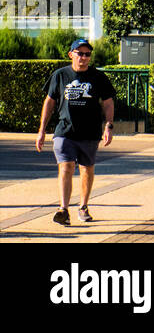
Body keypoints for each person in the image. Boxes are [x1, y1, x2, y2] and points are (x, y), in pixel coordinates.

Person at [36, 37, 116, 226]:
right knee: (66, 166)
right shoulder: (60, 75)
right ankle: (63, 209)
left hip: (89, 132)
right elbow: (49, 102)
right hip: (64, 130)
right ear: (71, 54)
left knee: (86, 169)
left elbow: (108, 102)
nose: (84, 57)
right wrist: (42, 130)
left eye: (87, 54)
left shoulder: (98, 77)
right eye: (80, 53)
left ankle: (83, 206)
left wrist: (109, 125)